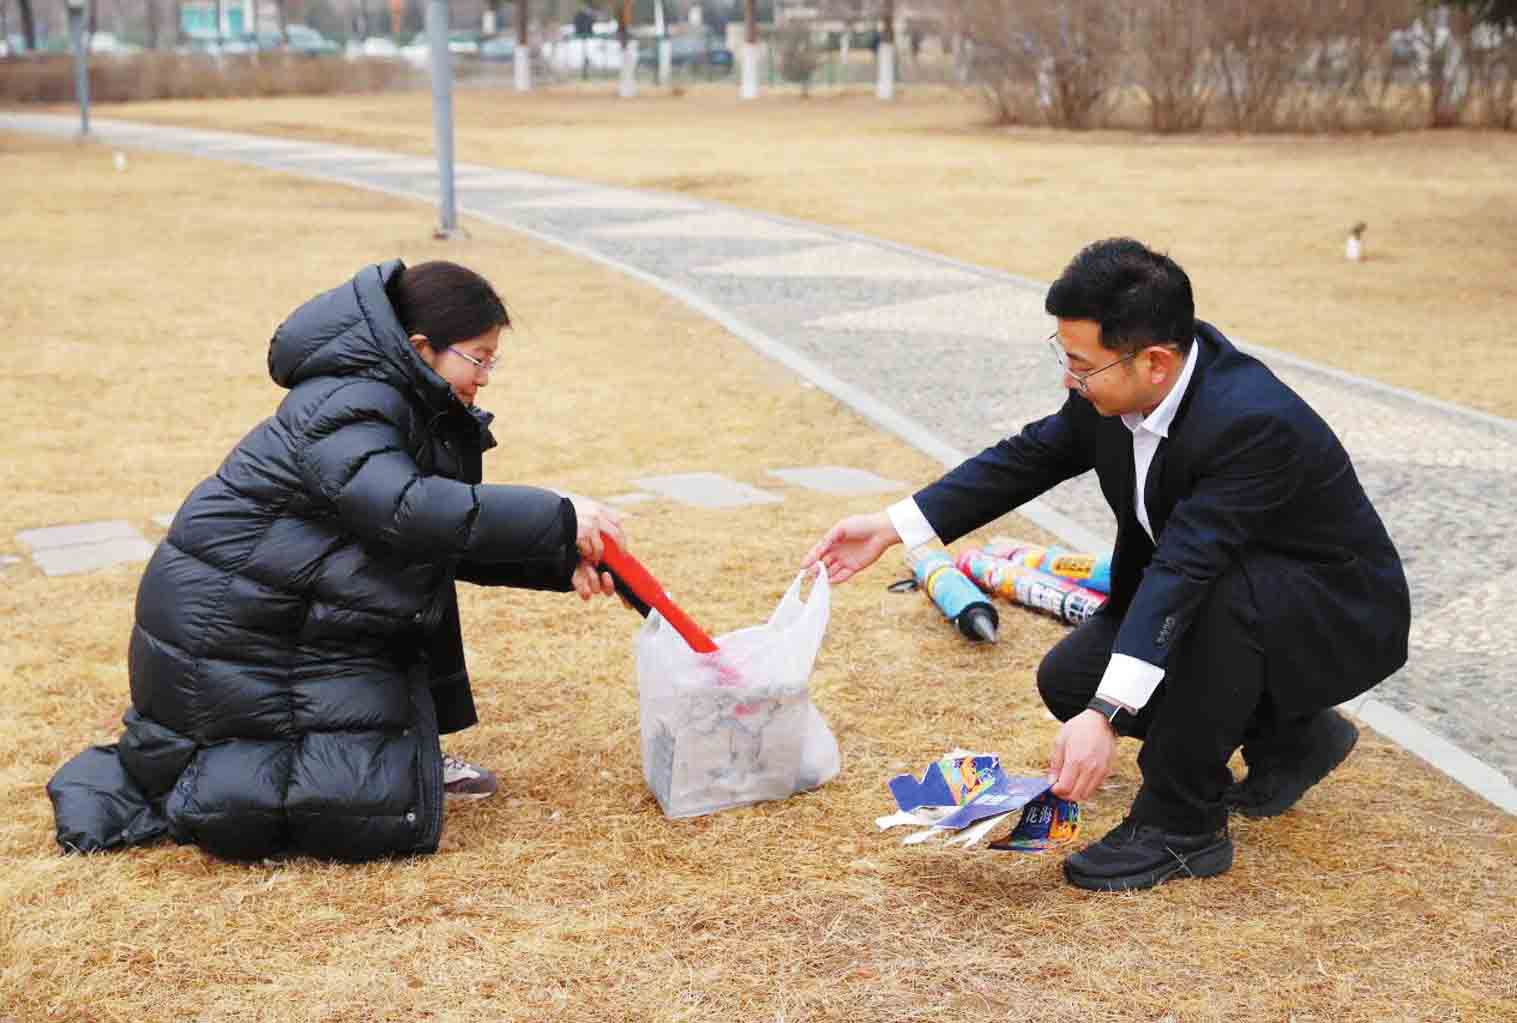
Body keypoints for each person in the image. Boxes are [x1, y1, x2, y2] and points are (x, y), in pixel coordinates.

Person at [804, 238, 1410, 892]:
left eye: (1082, 365)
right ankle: (1292, 739)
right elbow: (1029, 456)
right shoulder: (1117, 392)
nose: (1069, 379)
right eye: (1064, 357)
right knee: (1071, 679)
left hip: (1330, 616)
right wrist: (892, 526)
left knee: (1204, 608)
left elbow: (1186, 568)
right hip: (1223, 594)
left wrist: (1107, 714)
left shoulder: (1252, 422)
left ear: (1155, 362)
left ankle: (1182, 825)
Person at [48, 260, 626, 862]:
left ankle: (418, 753)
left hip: (265, 608)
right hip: (229, 628)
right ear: (421, 348)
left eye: (491, 363)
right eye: (477, 359)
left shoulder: (399, 398)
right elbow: (406, 508)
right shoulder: (352, 401)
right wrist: (557, 514)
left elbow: (434, 533)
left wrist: (556, 559)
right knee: (356, 797)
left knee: (402, 629)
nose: (484, 379)